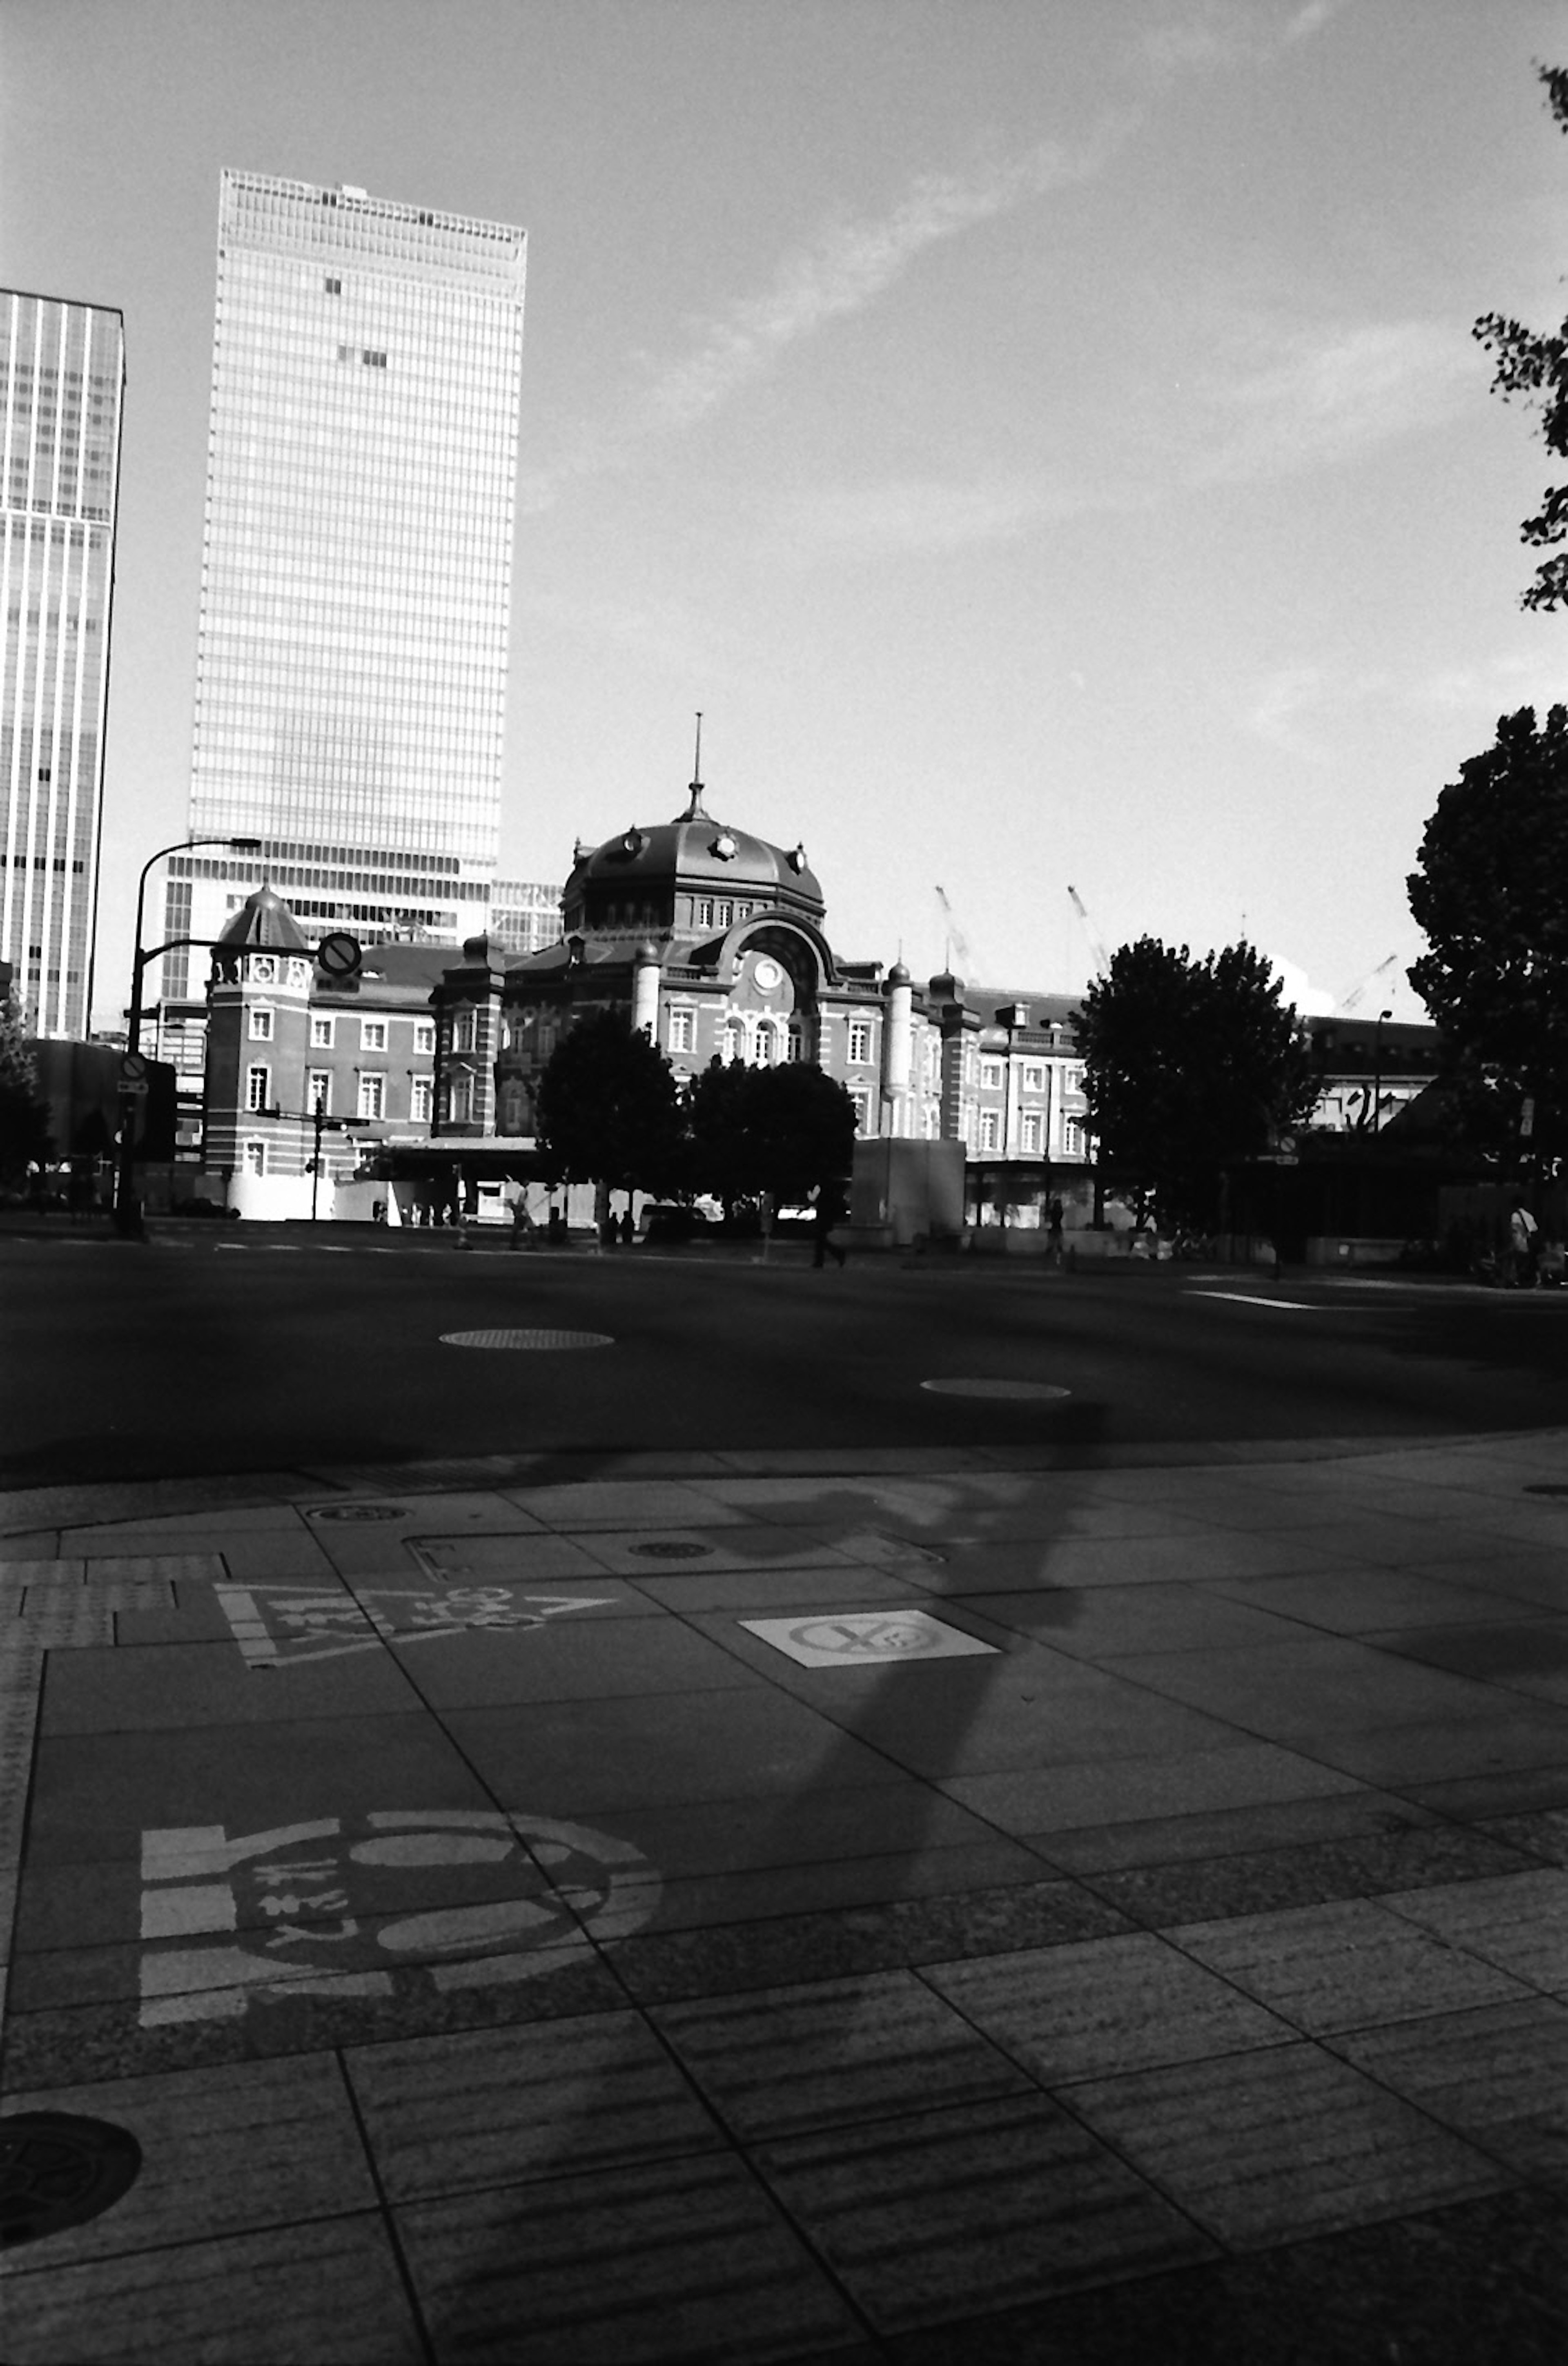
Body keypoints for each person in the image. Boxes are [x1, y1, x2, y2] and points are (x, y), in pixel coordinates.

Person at [811, 1178, 848, 1270]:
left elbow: (815, 1200)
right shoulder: (830, 1190)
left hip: (824, 1217)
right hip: (828, 1217)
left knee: (821, 1240)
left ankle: (835, 1256)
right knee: (821, 1240)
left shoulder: (821, 1188)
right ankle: (836, 1255)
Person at [1508, 1198, 1539, 1287]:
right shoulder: (1529, 1216)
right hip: (1529, 1243)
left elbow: (1514, 1229)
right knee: (1527, 1262)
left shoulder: (1515, 1216)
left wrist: (1513, 1242)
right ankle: (1529, 1281)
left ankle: (1518, 1280)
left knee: (1518, 1262)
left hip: (1519, 1242)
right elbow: (1534, 1229)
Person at [1046, 1196, 1065, 1267]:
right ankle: (1058, 1260)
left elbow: (1050, 1216)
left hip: (1054, 1228)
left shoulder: (1053, 1212)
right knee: (1059, 1245)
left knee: (1051, 1244)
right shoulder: (1060, 1212)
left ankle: (1049, 1259)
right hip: (1058, 1228)